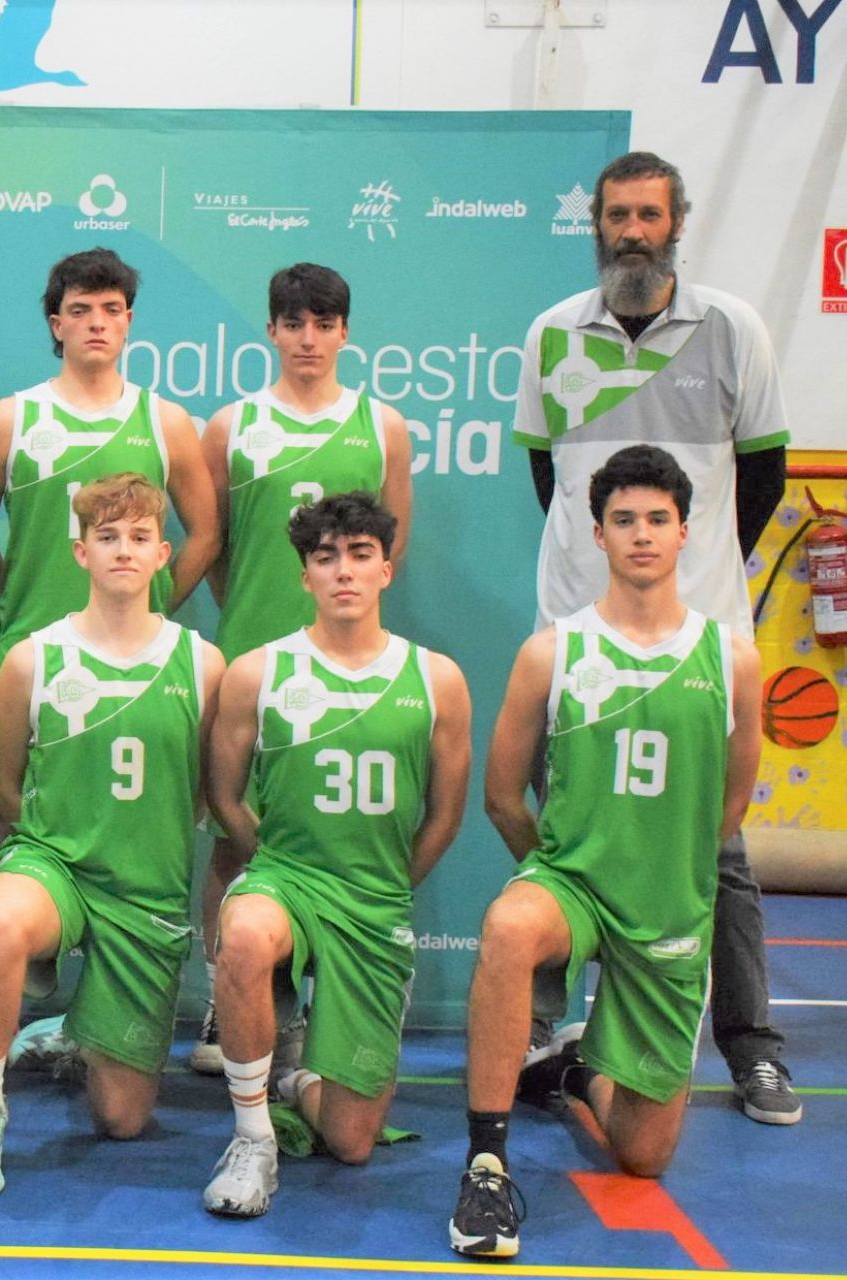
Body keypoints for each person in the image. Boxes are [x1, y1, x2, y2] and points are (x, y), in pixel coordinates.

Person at [513, 150, 796, 1125]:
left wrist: (689, 581)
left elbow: (762, 479)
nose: (632, 232)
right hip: (577, 637)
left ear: (677, 223)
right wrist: (601, 588)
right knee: (565, 835)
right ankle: (550, 1034)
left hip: (698, 637)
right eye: (617, 215)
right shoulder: (551, 334)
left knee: (719, 849)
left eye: (649, 215)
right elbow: (554, 481)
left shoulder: (734, 329)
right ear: (595, 224)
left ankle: (752, 1049)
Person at [450, 445, 762, 1259]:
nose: (642, 534)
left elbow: (731, 803)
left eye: (658, 518)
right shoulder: (553, 652)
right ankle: (485, 1168)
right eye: (624, 520)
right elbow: (502, 795)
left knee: (643, 1154)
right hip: (574, 885)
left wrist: (664, 868)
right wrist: (555, 868)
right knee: (511, 926)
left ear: (685, 531)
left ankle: (573, 1070)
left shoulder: (732, 658)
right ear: (597, 535)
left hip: (668, 906)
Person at [0, 474, 223, 1199]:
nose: (123, 550)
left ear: (163, 554)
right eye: (107, 537)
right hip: (55, 866)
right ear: (80, 552)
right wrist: (50, 845)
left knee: (121, 1120)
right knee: (1, 921)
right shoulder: (33, 659)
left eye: (139, 537)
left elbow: (203, 790)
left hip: (145, 890)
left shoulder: (203, 664)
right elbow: (8, 783)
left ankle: (80, 1029)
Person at [202, 492, 470, 1219]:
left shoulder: (436, 680)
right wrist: (271, 866)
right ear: (305, 576)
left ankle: (294, 1079)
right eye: (326, 558)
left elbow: (445, 816)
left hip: (375, 901)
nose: (343, 571)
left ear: (387, 568)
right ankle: (252, 1138)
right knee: (246, 931)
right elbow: (224, 796)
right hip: (285, 881)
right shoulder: (258, 672)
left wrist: (386, 887)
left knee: (352, 1141)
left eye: (359, 554)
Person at [191, 263, 413, 1076]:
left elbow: (391, 548)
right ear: (272, 331)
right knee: (235, 841)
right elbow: (217, 549)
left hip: (348, 673)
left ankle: (323, 998)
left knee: (337, 839)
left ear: (345, 332)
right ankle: (226, 998)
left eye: (323, 323)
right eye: (293, 323)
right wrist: (254, 627)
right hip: (254, 661)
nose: (308, 338)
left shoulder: (383, 427)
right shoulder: (231, 426)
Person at [0, 248, 218, 836]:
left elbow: (206, 533)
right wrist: (19, 601)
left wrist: (153, 601)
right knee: (12, 819)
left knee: (127, 817)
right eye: (80, 310)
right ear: (57, 324)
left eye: (111, 309)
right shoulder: (11, 419)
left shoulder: (165, 422)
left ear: (128, 321)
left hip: (135, 658)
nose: (97, 322)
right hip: (30, 645)